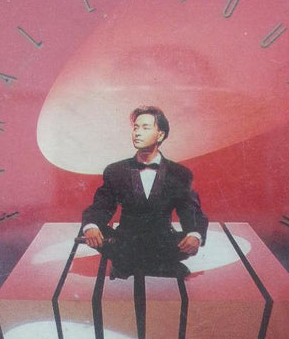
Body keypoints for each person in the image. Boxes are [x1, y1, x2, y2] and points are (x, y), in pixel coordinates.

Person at [82, 106, 208, 279]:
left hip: (163, 244)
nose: (137, 133)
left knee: (188, 239)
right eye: (135, 128)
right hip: (125, 245)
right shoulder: (115, 171)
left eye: (145, 128)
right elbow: (101, 206)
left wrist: (194, 235)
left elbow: (190, 211)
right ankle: (133, 264)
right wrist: (91, 226)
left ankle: (150, 264)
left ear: (160, 135)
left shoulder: (180, 173)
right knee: (98, 232)